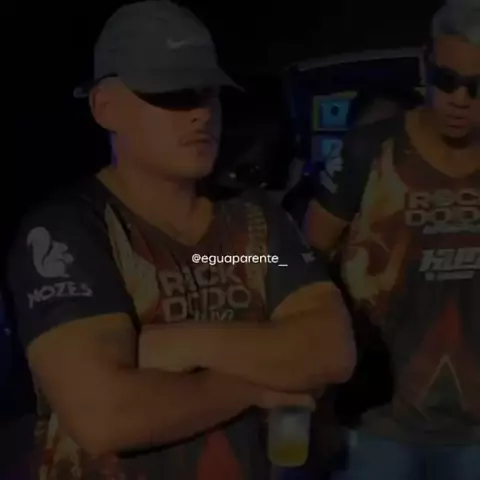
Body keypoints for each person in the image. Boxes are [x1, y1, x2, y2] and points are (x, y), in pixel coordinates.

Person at [6, 2, 356, 479]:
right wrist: (247, 387)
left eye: (208, 92)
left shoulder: (258, 224)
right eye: (170, 94)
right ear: (106, 107)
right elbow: (105, 416)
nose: (199, 113)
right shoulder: (67, 231)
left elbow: (330, 350)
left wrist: (179, 344)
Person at [304, 1, 479, 479]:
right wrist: (317, 404)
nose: (460, 99)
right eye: (446, 80)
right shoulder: (367, 151)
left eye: (477, 87)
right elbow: (301, 268)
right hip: (379, 425)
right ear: (426, 64)